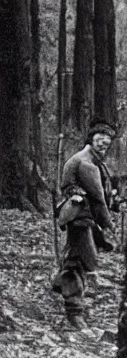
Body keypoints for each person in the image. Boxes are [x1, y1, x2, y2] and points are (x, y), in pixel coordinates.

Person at [52, 118, 118, 329]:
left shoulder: (95, 162)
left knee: (76, 257)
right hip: (79, 218)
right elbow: (97, 198)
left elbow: (104, 194)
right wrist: (109, 225)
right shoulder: (85, 162)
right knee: (78, 261)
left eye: (107, 143)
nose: (103, 145)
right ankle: (74, 313)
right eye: (100, 140)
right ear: (92, 139)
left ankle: (61, 285)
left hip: (83, 218)